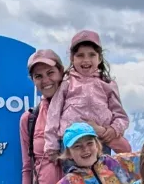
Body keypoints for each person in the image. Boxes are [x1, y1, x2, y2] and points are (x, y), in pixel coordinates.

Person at [43, 30, 131, 158]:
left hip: (99, 142)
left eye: (91, 55)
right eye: (80, 55)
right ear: (72, 58)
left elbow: (121, 116)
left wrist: (112, 130)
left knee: (100, 171)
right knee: (73, 171)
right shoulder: (67, 83)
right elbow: (53, 114)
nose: (86, 60)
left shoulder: (107, 84)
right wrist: (51, 147)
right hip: (71, 143)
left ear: (99, 58)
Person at [20, 48, 66, 184]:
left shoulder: (81, 111)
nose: (46, 80)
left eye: (50, 73)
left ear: (61, 72)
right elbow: (27, 167)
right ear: (32, 80)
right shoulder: (29, 119)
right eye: (38, 76)